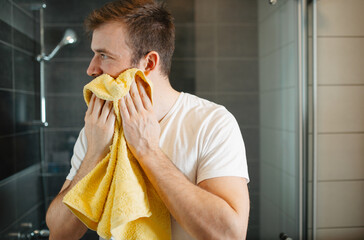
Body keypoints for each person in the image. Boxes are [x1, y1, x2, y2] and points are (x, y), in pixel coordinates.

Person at [45, 0, 250, 239]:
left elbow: (229, 235)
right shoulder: (98, 127)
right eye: (94, 54)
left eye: (104, 55)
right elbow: (59, 232)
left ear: (149, 63)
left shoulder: (212, 123)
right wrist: (94, 153)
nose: (91, 69)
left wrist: (147, 150)